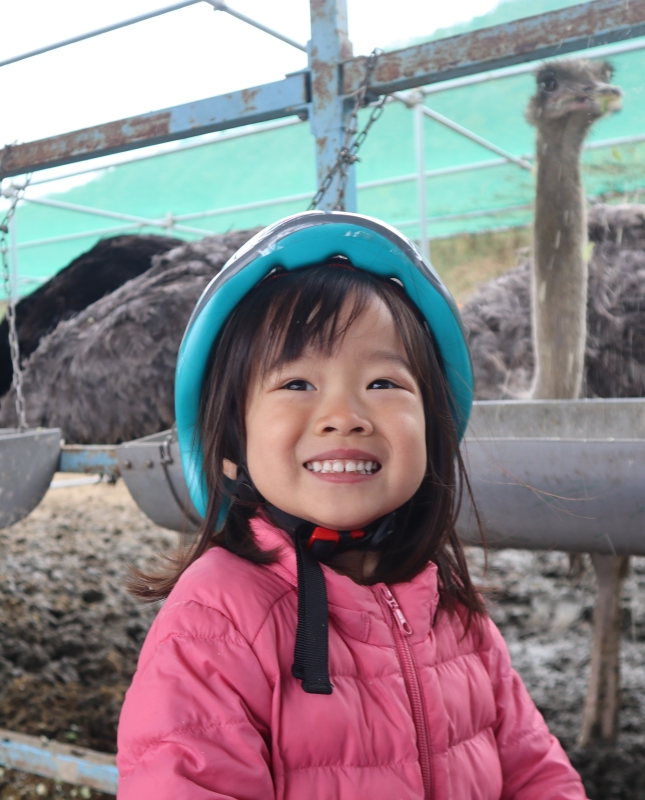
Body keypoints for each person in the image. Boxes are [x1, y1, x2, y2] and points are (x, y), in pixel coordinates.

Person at [116, 212, 585, 799]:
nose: (345, 415)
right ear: (233, 438)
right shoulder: (216, 621)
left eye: (384, 384)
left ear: (432, 428)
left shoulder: (455, 613)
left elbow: (538, 774)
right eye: (297, 384)